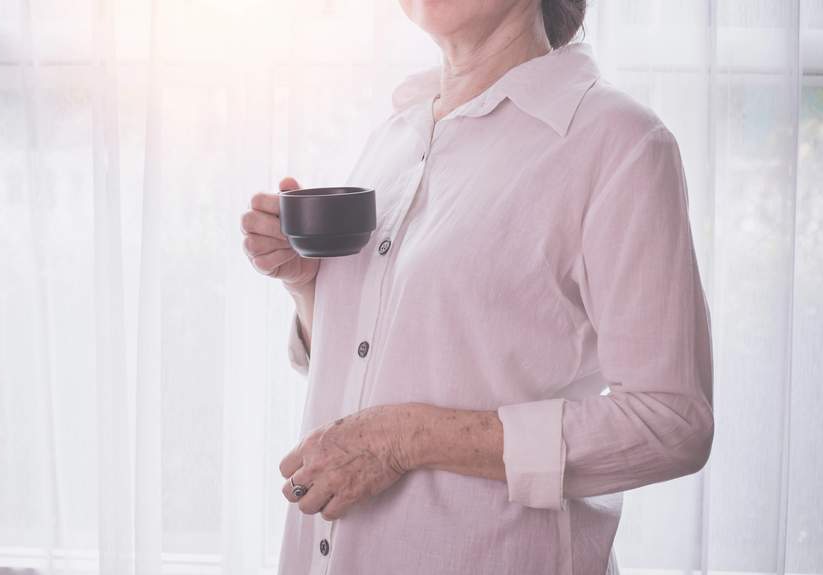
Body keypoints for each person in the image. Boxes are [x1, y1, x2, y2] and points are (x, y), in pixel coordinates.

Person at [239, 1, 714, 573]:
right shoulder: (398, 133)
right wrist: (306, 288)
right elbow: (385, 356)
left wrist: (405, 438)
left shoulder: (618, 141)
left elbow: (671, 424)